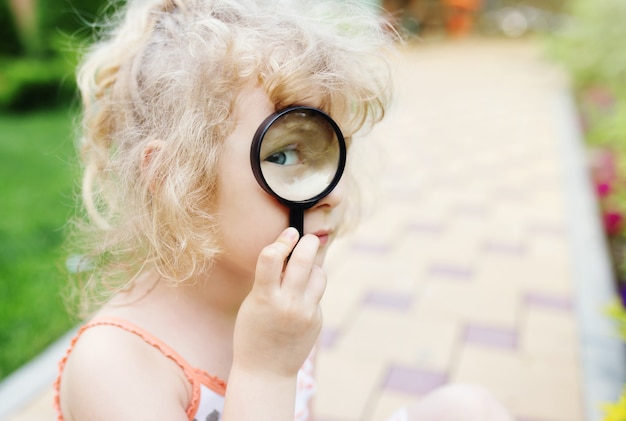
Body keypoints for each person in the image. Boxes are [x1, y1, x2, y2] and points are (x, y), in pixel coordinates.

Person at [54, 0, 514, 420]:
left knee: (468, 409)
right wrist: (265, 372)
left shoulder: (277, 309)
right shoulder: (115, 364)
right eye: (284, 155)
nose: (333, 195)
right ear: (173, 177)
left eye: (332, 149)